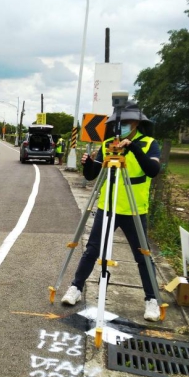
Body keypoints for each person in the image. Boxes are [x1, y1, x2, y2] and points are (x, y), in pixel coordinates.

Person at [60, 102, 162, 321]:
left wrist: (132, 148)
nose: (120, 127)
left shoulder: (149, 144)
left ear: (136, 123)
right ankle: (75, 287)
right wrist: (87, 164)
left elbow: (152, 170)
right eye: (117, 123)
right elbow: (91, 176)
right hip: (107, 206)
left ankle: (151, 299)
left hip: (135, 210)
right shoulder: (108, 145)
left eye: (125, 123)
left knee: (142, 256)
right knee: (92, 250)